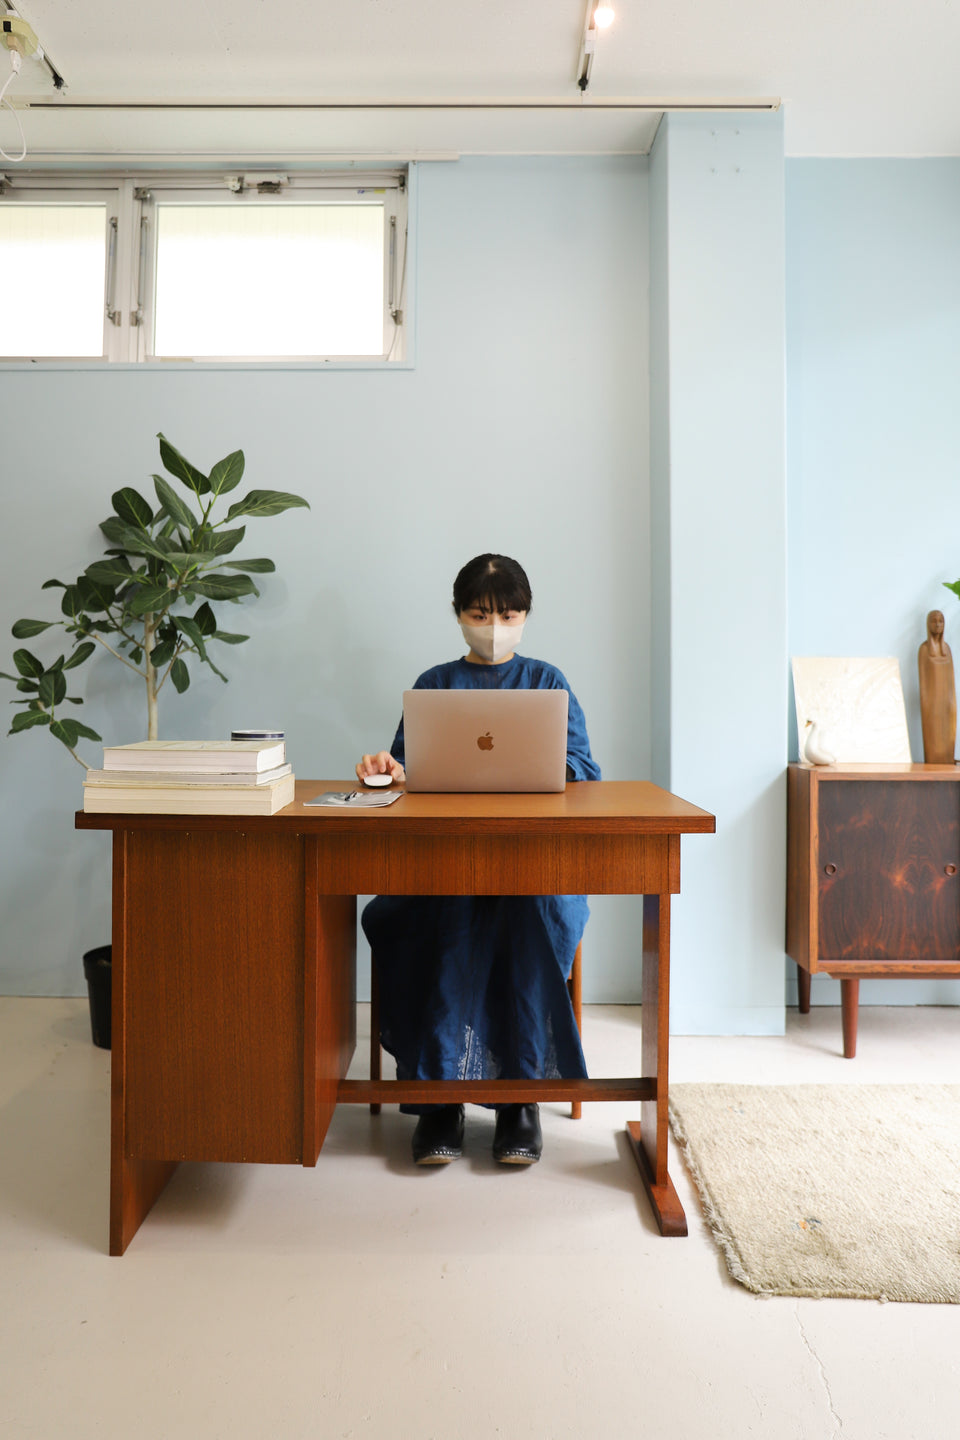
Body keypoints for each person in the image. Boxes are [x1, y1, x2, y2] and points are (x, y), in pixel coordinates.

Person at [357, 553, 601, 1167]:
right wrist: (386, 769)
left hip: (532, 863)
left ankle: (519, 1098)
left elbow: (584, 769)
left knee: (524, 910)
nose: (495, 626)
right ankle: (441, 1095)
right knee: (440, 910)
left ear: (526, 616)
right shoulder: (436, 683)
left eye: (509, 614)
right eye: (480, 613)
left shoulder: (548, 682)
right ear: (459, 616)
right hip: (444, 862)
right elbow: (404, 770)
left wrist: (545, 768)